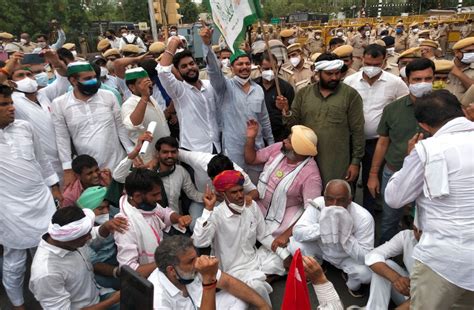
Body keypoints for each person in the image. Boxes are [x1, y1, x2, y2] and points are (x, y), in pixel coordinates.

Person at [384, 90, 474, 309]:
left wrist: (409, 157)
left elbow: (395, 198)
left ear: (423, 125)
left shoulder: (427, 150)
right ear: (462, 110)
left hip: (443, 260)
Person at [0, 82, 62, 310]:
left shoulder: (25, 127)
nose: (11, 108)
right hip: (9, 208)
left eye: (10, 103)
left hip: (41, 200)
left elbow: (42, 161)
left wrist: (55, 188)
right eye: (4, 104)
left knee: (48, 253)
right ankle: (17, 305)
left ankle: (51, 300)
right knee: (15, 261)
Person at [367, 58, 434, 245]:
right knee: (390, 219)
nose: (423, 84)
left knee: (425, 223)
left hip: (432, 176)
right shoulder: (392, 109)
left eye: (428, 79)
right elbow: (382, 142)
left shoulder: (444, 107)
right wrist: (373, 174)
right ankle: (385, 256)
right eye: (417, 80)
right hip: (395, 172)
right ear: (406, 81)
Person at [245, 121, 322, 272]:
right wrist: (250, 138)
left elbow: (311, 212)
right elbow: (251, 159)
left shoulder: (311, 174)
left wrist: (286, 235)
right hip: (261, 205)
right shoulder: (278, 149)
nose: (284, 141)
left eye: (289, 141)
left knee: (272, 257)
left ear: (298, 150)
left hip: (285, 216)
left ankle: (281, 258)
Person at [278, 53, 365, 187]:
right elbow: (293, 126)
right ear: (318, 73)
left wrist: (355, 162)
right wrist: (286, 111)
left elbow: (358, 131)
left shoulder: (350, 95)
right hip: (306, 159)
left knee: (336, 198)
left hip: (337, 162)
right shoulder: (303, 93)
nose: (334, 77)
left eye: (337, 73)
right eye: (329, 74)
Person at [200, 25, 274, 181]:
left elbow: (264, 120)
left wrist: (272, 147)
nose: (244, 67)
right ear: (232, 68)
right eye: (239, 64)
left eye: (247, 64)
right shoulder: (225, 87)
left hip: (257, 150)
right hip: (234, 152)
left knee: (257, 189)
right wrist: (207, 45)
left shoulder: (258, 89)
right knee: (237, 187)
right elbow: (214, 70)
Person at [193, 170, 276, 305]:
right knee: (258, 287)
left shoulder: (251, 206)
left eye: (241, 190)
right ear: (223, 194)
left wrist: (283, 253)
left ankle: (261, 281)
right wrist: (208, 209)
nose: (239, 195)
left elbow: (264, 235)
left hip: (255, 260)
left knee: (286, 253)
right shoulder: (216, 215)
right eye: (234, 192)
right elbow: (199, 241)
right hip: (233, 271)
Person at [344, 44, 409, 214]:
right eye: (368, 63)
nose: (371, 68)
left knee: (372, 180)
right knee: (348, 177)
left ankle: (369, 215)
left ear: (384, 62)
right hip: (352, 140)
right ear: (361, 60)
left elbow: (404, 107)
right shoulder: (350, 82)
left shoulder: (395, 83)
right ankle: (347, 212)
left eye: (376, 64)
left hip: (379, 142)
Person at [51, 61, 134, 187]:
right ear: (73, 81)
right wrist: (67, 169)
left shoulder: (109, 96)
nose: (94, 81)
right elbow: (62, 138)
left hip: (118, 162)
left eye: (94, 77)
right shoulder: (60, 104)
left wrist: (131, 152)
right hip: (90, 172)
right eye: (88, 78)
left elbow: (120, 127)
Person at [288, 179, 374, 297]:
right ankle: (318, 266)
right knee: (294, 245)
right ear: (324, 198)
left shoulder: (364, 218)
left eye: (341, 200)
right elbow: (297, 232)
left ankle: (351, 282)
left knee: (367, 274)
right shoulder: (318, 203)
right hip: (322, 249)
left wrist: (344, 234)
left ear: (350, 200)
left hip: (346, 257)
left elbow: (366, 256)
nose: (334, 205)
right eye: (330, 199)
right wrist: (323, 227)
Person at [29, 206, 125, 309]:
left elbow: (94, 234)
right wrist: (113, 300)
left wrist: (106, 226)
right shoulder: (46, 273)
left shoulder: (70, 240)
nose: (90, 237)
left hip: (97, 293)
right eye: (85, 236)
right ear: (69, 239)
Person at [148, 235, 271, 309]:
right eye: (191, 261)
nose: (197, 263)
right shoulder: (157, 298)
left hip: (203, 305)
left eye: (196, 257)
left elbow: (227, 282)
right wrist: (208, 280)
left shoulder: (188, 269)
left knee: (245, 294)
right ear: (171, 270)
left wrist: (263, 305)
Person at [113, 135, 203, 230]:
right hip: (150, 224)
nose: (169, 155)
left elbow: (192, 194)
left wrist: (208, 197)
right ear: (157, 153)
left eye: (173, 152)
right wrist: (135, 151)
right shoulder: (147, 173)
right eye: (165, 152)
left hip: (175, 224)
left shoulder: (181, 171)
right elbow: (118, 176)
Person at [114, 168, 192, 278]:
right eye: (155, 195)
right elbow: (129, 271)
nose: (159, 198)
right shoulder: (124, 225)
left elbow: (164, 213)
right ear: (137, 196)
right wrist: (166, 261)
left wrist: (179, 218)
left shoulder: (147, 205)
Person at [10, 50, 70, 180]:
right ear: (11, 82)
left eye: (29, 74)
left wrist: (56, 62)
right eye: (20, 75)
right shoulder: (11, 101)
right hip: (36, 165)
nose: (27, 78)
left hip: (63, 161)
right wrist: (9, 66)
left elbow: (64, 79)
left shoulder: (44, 94)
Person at [157, 36, 221, 154]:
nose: (190, 68)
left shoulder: (209, 85)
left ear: (196, 64)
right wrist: (173, 43)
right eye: (184, 66)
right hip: (193, 151)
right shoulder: (179, 91)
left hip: (216, 146)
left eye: (191, 63)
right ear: (178, 71)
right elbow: (162, 71)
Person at [365, 220, 422, 309]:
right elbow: (372, 255)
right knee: (385, 265)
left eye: (423, 231)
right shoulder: (407, 236)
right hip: (409, 292)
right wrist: (396, 278)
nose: (418, 235)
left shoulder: (443, 252)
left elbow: (430, 297)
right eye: (415, 230)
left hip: (428, 303)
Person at [121, 67, 170, 162]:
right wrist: (144, 96)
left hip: (166, 154)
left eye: (148, 81)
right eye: (142, 83)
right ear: (132, 87)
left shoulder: (151, 99)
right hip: (149, 159)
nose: (149, 85)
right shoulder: (129, 104)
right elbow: (132, 124)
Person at [77, 186, 121, 290]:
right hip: (100, 269)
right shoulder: (80, 233)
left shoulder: (114, 214)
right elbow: (95, 264)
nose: (106, 211)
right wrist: (119, 272)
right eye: (100, 208)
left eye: (107, 207)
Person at [254, 52, 295, 142]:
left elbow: (293, 116)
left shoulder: (286, 88)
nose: (270, 72)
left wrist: (286, 110)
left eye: (273, 68)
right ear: (259, 68)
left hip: (280, 136)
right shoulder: (253, 86)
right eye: (266, 69)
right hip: (257, 136)